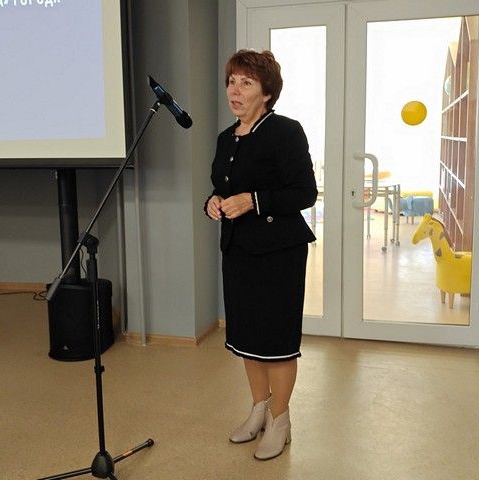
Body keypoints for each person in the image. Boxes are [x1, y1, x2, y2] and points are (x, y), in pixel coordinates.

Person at [204, 49, 317, 460]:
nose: (234, 90)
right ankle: (257, 410)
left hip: (278, 253)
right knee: (248, 338)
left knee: (276, 341)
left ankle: (280, 420)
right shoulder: (226, 138)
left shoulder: (286, 132)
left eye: (246, 83)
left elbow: (304, 193)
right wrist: (213, 202)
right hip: (238, 250)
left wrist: (253, 200)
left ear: (267, 93)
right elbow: (222, 186)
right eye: (231, 81)